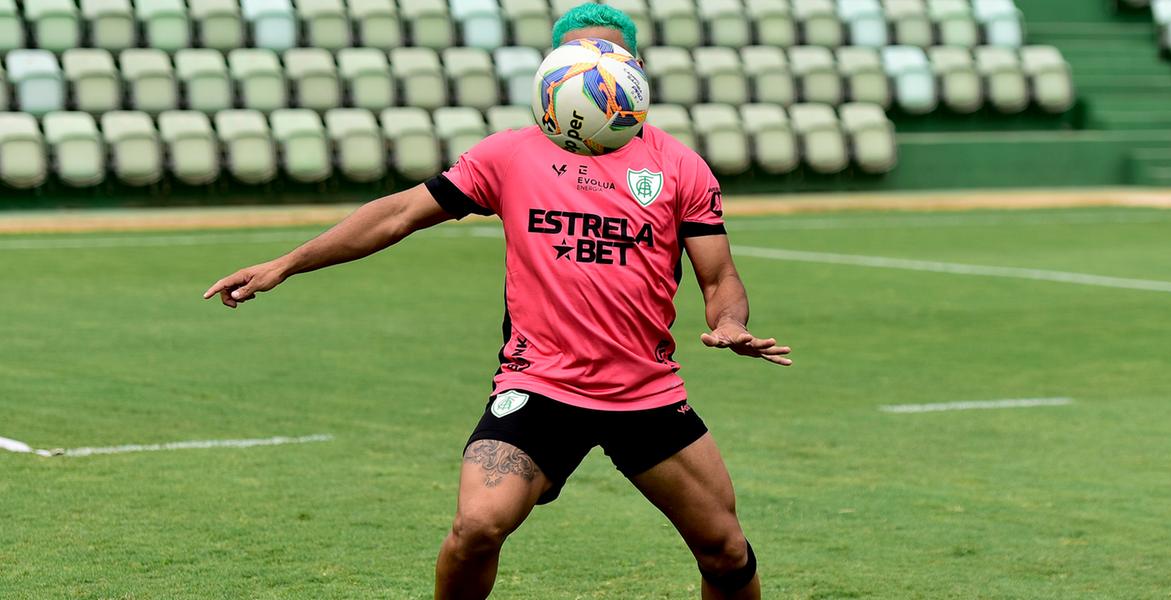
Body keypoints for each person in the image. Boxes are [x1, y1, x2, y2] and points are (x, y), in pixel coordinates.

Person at [203, 5, 791, 598]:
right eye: (576, 59)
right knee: (477, 527)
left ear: (635, 68)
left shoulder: (680, 166)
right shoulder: (510, 154)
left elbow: (718, 278)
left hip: (645, 390)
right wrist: (286, 263)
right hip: (540, 385)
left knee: (724, 551)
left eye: (609, 57)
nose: (594, 72)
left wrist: (731, 323)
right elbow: (399, 214)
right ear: (550, 72)